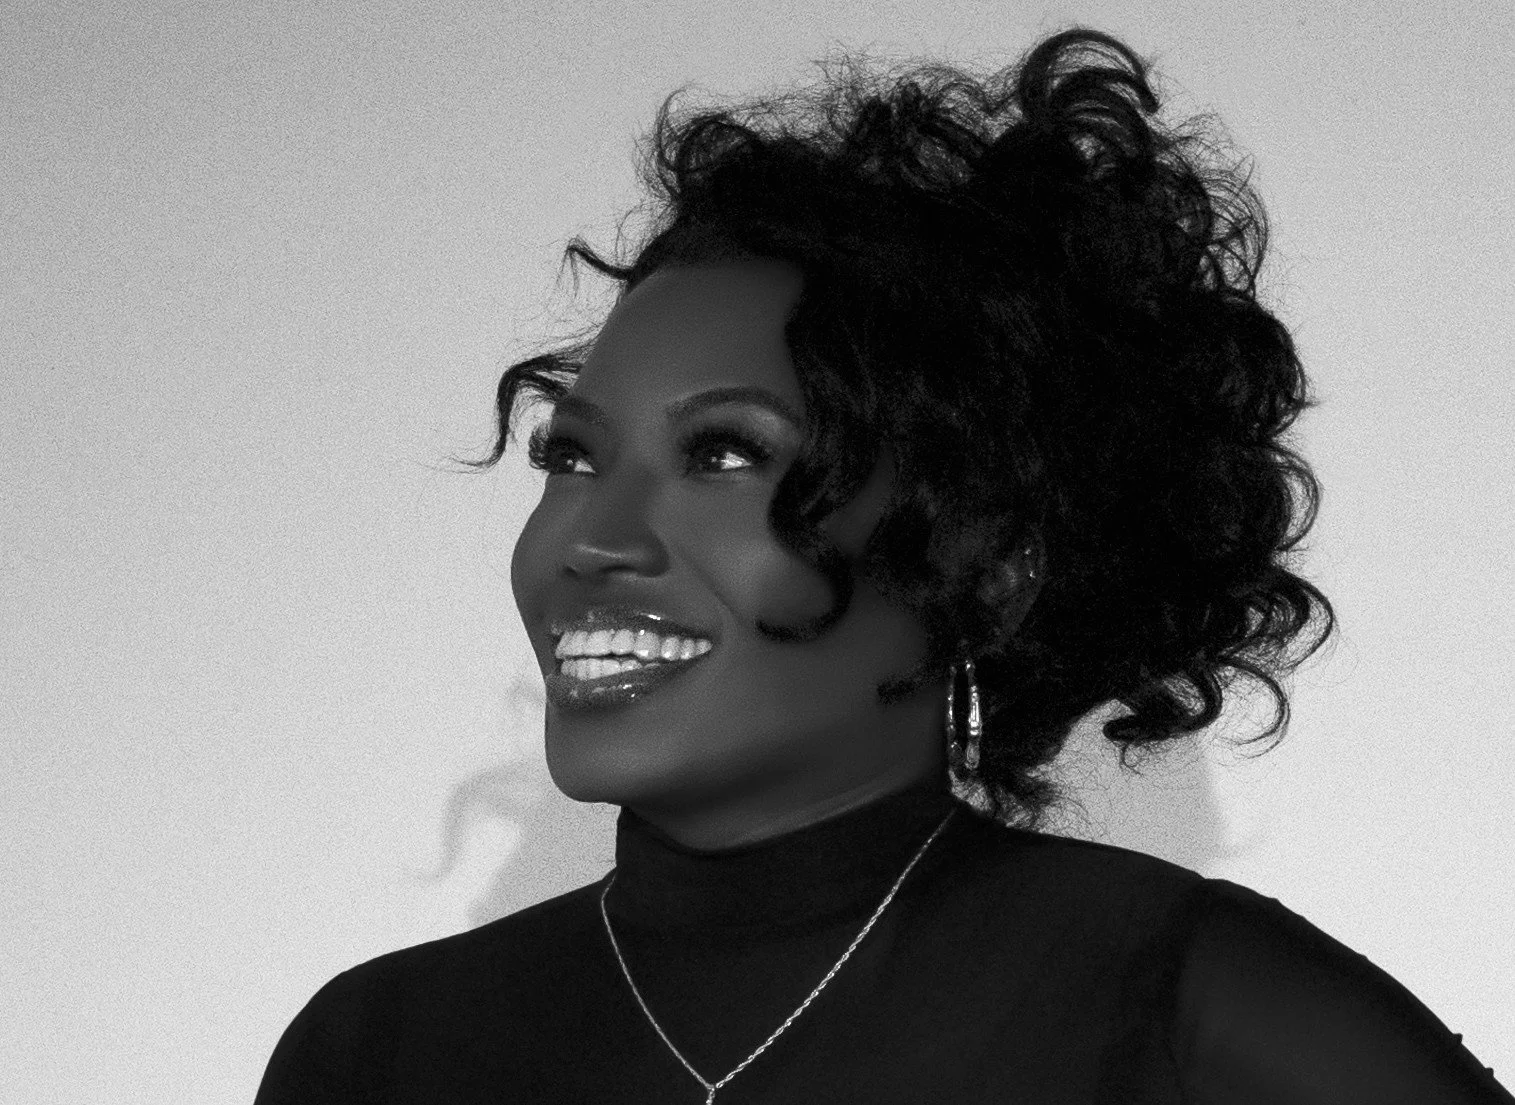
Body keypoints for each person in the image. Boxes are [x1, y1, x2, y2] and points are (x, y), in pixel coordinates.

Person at [254, 27, 1512, 1104]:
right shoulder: (380, 1058)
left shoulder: (1185, 1009)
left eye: (726, 455)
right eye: (573, 458)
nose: (589, 540)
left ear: (990, 568)